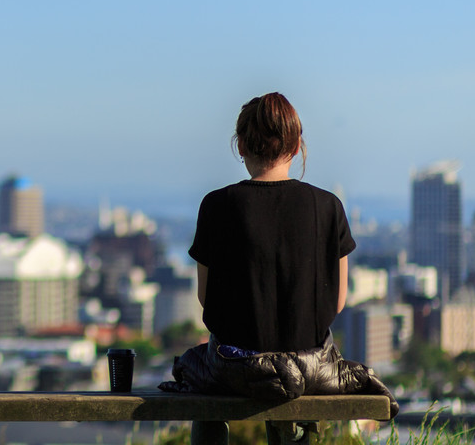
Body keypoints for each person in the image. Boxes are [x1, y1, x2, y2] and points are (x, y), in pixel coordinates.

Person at [158, 92, 396, 420]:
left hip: (235, 368)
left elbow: (206, 298)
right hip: (312, 369)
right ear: (297, 147)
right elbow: (337, 302)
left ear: (240, 146)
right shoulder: (328, 207)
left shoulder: (216, 206)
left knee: (187, 363)